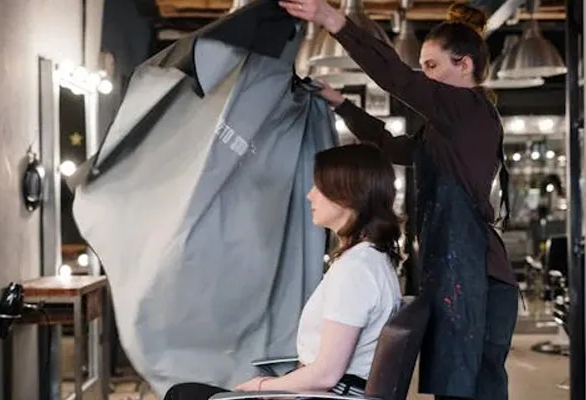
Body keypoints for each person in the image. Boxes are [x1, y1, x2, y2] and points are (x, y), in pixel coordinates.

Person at [278, 1, 519, 400]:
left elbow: (397, 79)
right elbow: (391, 147)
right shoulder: (442, 131)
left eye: (431, 67)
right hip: (459, 273)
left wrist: (333, 20)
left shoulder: (469, 109)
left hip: (478, 278)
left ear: (464, 65)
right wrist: (341, 104)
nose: (425, 79)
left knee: (472, 390)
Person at [164, 143, 403, 400]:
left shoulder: (356, 270)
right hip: (325, 393)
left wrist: (261, 387)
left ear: (347, 195)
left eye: (319, 187)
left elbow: (325, 375)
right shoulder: (370, 260)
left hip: (325, 396)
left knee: (183, 395)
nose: (310, 195)